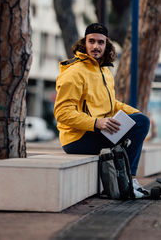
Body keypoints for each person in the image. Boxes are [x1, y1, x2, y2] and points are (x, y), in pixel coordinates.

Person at [54, 23, 150, 198]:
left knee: (141, 121)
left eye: (100, 42)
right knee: (140, 125)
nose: (96, 47)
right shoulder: (74, 73)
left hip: (98, 132)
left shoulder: (104, 71)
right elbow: (62, 113)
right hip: (77, 139)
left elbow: (111, 104)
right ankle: (125, 181)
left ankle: (125, 180)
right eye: (91, 41)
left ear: (107, 45)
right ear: (84, 43)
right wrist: (96, 122)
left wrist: (136, 114)